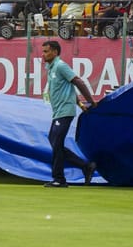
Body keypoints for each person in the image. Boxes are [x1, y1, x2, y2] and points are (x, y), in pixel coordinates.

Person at [40, 41, 98, 187]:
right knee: (55, 143)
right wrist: (80, 103)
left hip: (65, 111)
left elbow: (78, 82)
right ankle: (85, 166)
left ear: (54, 52)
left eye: (46, 51)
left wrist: (90, 101)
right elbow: (68, 88)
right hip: (58, 111)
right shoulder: (50, 67)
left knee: (56, 143)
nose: (43, 54)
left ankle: (59, 179)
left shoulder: (60, 66)